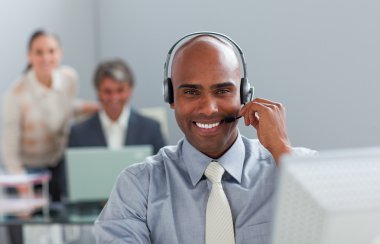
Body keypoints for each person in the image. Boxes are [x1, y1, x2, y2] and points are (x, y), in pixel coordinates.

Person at [94, 33, 316, 244]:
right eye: (191, 92)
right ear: (171, 97)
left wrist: (282, 151)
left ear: (244, 95)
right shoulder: (139, 185)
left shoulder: (295, 165)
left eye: (222, 91)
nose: (209, 109)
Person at [1, 29, 98, 202]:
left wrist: (97, 108)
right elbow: (9, 150)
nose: (46, 58)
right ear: (29, 56)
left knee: (60, 216)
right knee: (30, 223)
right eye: (39, 52)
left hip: (58, 162)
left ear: (60, 53)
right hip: (28, 170)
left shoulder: (70, 78)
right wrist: (24, 188)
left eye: (51, 51)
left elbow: (66, 108)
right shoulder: (15, 95)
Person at [68, 58, 166, 154]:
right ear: (98, 91)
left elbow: (163, 168)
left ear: (130, 90)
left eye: (120, 90)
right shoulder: (78, 133)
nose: (114, 97)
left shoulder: (151, 129)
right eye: (107, 91)